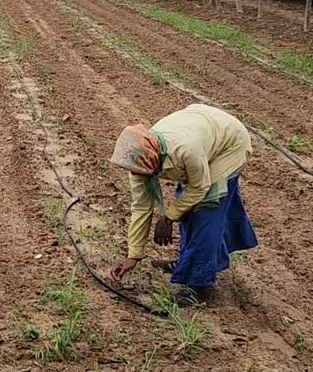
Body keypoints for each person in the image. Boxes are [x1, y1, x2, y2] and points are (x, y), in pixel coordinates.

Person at [109, 104, 257, 306]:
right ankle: (186, 262)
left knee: (206, 211)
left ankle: (198, 285)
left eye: (136, 170)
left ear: (151, 159)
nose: (134, 174)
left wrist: (169, 217)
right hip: (202, 129)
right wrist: (133, 255)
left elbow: (199, 188)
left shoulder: (185, 150)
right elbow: (141, 208)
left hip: (230, 144)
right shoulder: (139, 159)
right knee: (186, 208)